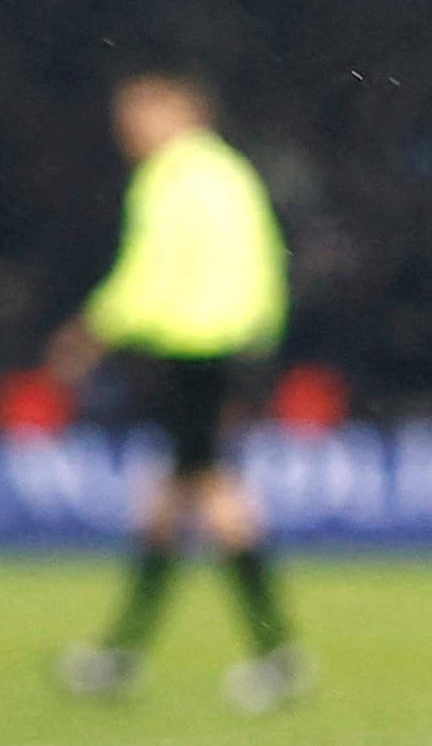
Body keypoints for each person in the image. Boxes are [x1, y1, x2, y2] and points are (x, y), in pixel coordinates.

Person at [44, 72, 307, 712]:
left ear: (181, 111)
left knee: (211, 495)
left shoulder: (172, 177)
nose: (127, 128)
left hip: (197, 350)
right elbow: (267, 263)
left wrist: (90, 332)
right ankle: (121, 655)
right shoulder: (230, 172)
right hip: (231, 348)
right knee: (169, 500)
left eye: (138, 113)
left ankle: (277, 657)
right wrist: (257, 345)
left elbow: (149, 273)